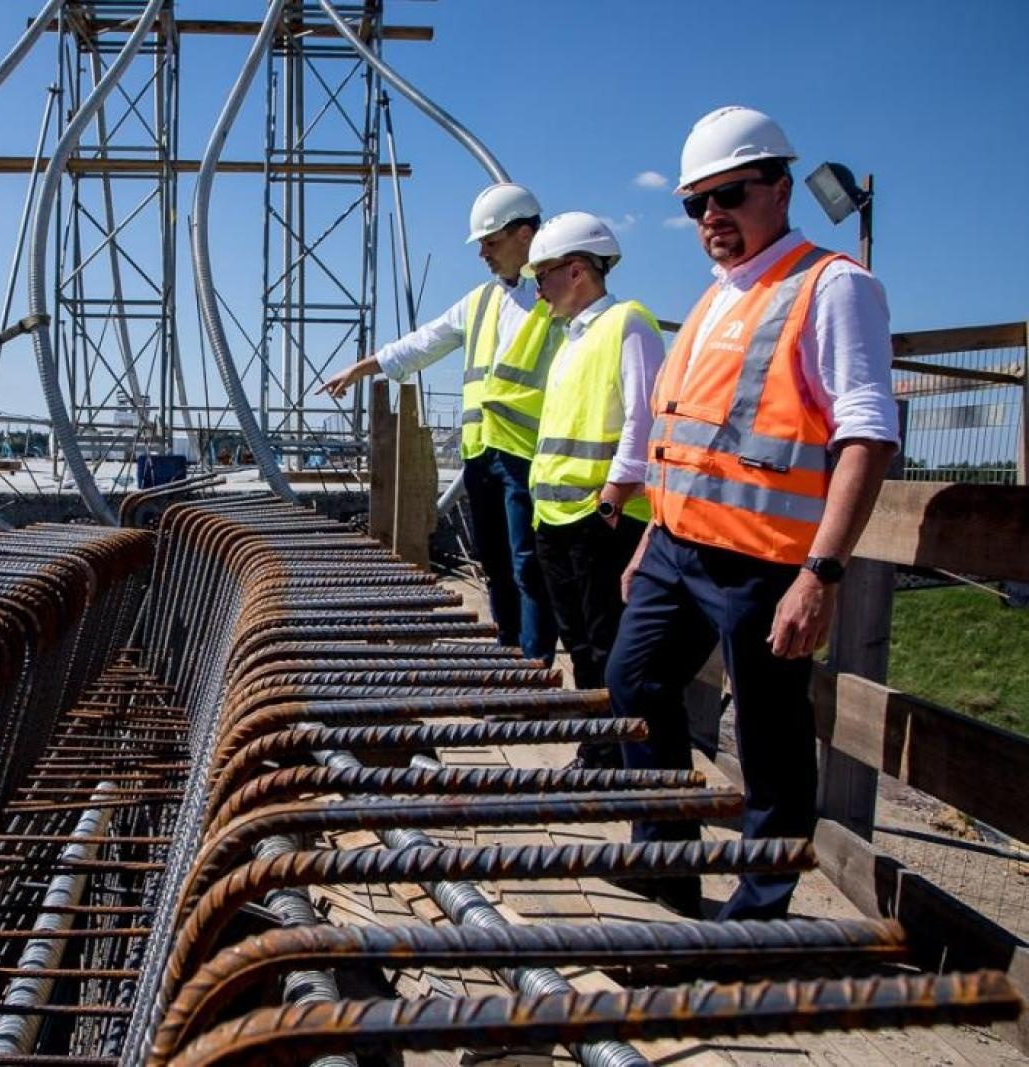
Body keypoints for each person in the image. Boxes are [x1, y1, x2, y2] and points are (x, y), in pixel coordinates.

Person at [607, 106, 900, 920]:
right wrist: (653, 535)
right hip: (677, 547)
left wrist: (822, 571)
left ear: (779, 188)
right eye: (695, 204)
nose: (711, 218)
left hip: (768, 561)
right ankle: (667, 864)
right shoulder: (716, 298)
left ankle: (757, 911)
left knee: (769, 740)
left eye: (729, 195)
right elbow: (692, 443)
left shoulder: (831, 286)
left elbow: (867, 434)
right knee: (632, 679)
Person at [320, 183, 558, 661]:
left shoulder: (558, 300)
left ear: (526, 235)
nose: (483, 255)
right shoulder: (481, 303)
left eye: (491, 243)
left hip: (529, 459)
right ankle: (510, 653)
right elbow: (423, 343)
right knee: (496, 562)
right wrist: (363, 367)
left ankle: (534, 668)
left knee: (528, 565)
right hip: (483, 457)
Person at [521, 213, 665, 770]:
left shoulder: (627, 323)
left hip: (599, 518)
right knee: (579, 644)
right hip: (557, 519)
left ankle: (612, 751)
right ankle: (599, 748)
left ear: (577, 270)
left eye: (545, 276)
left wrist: (611, 499)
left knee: (607, 645)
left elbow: (643, 417)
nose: (538, 290)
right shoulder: (572, 339)